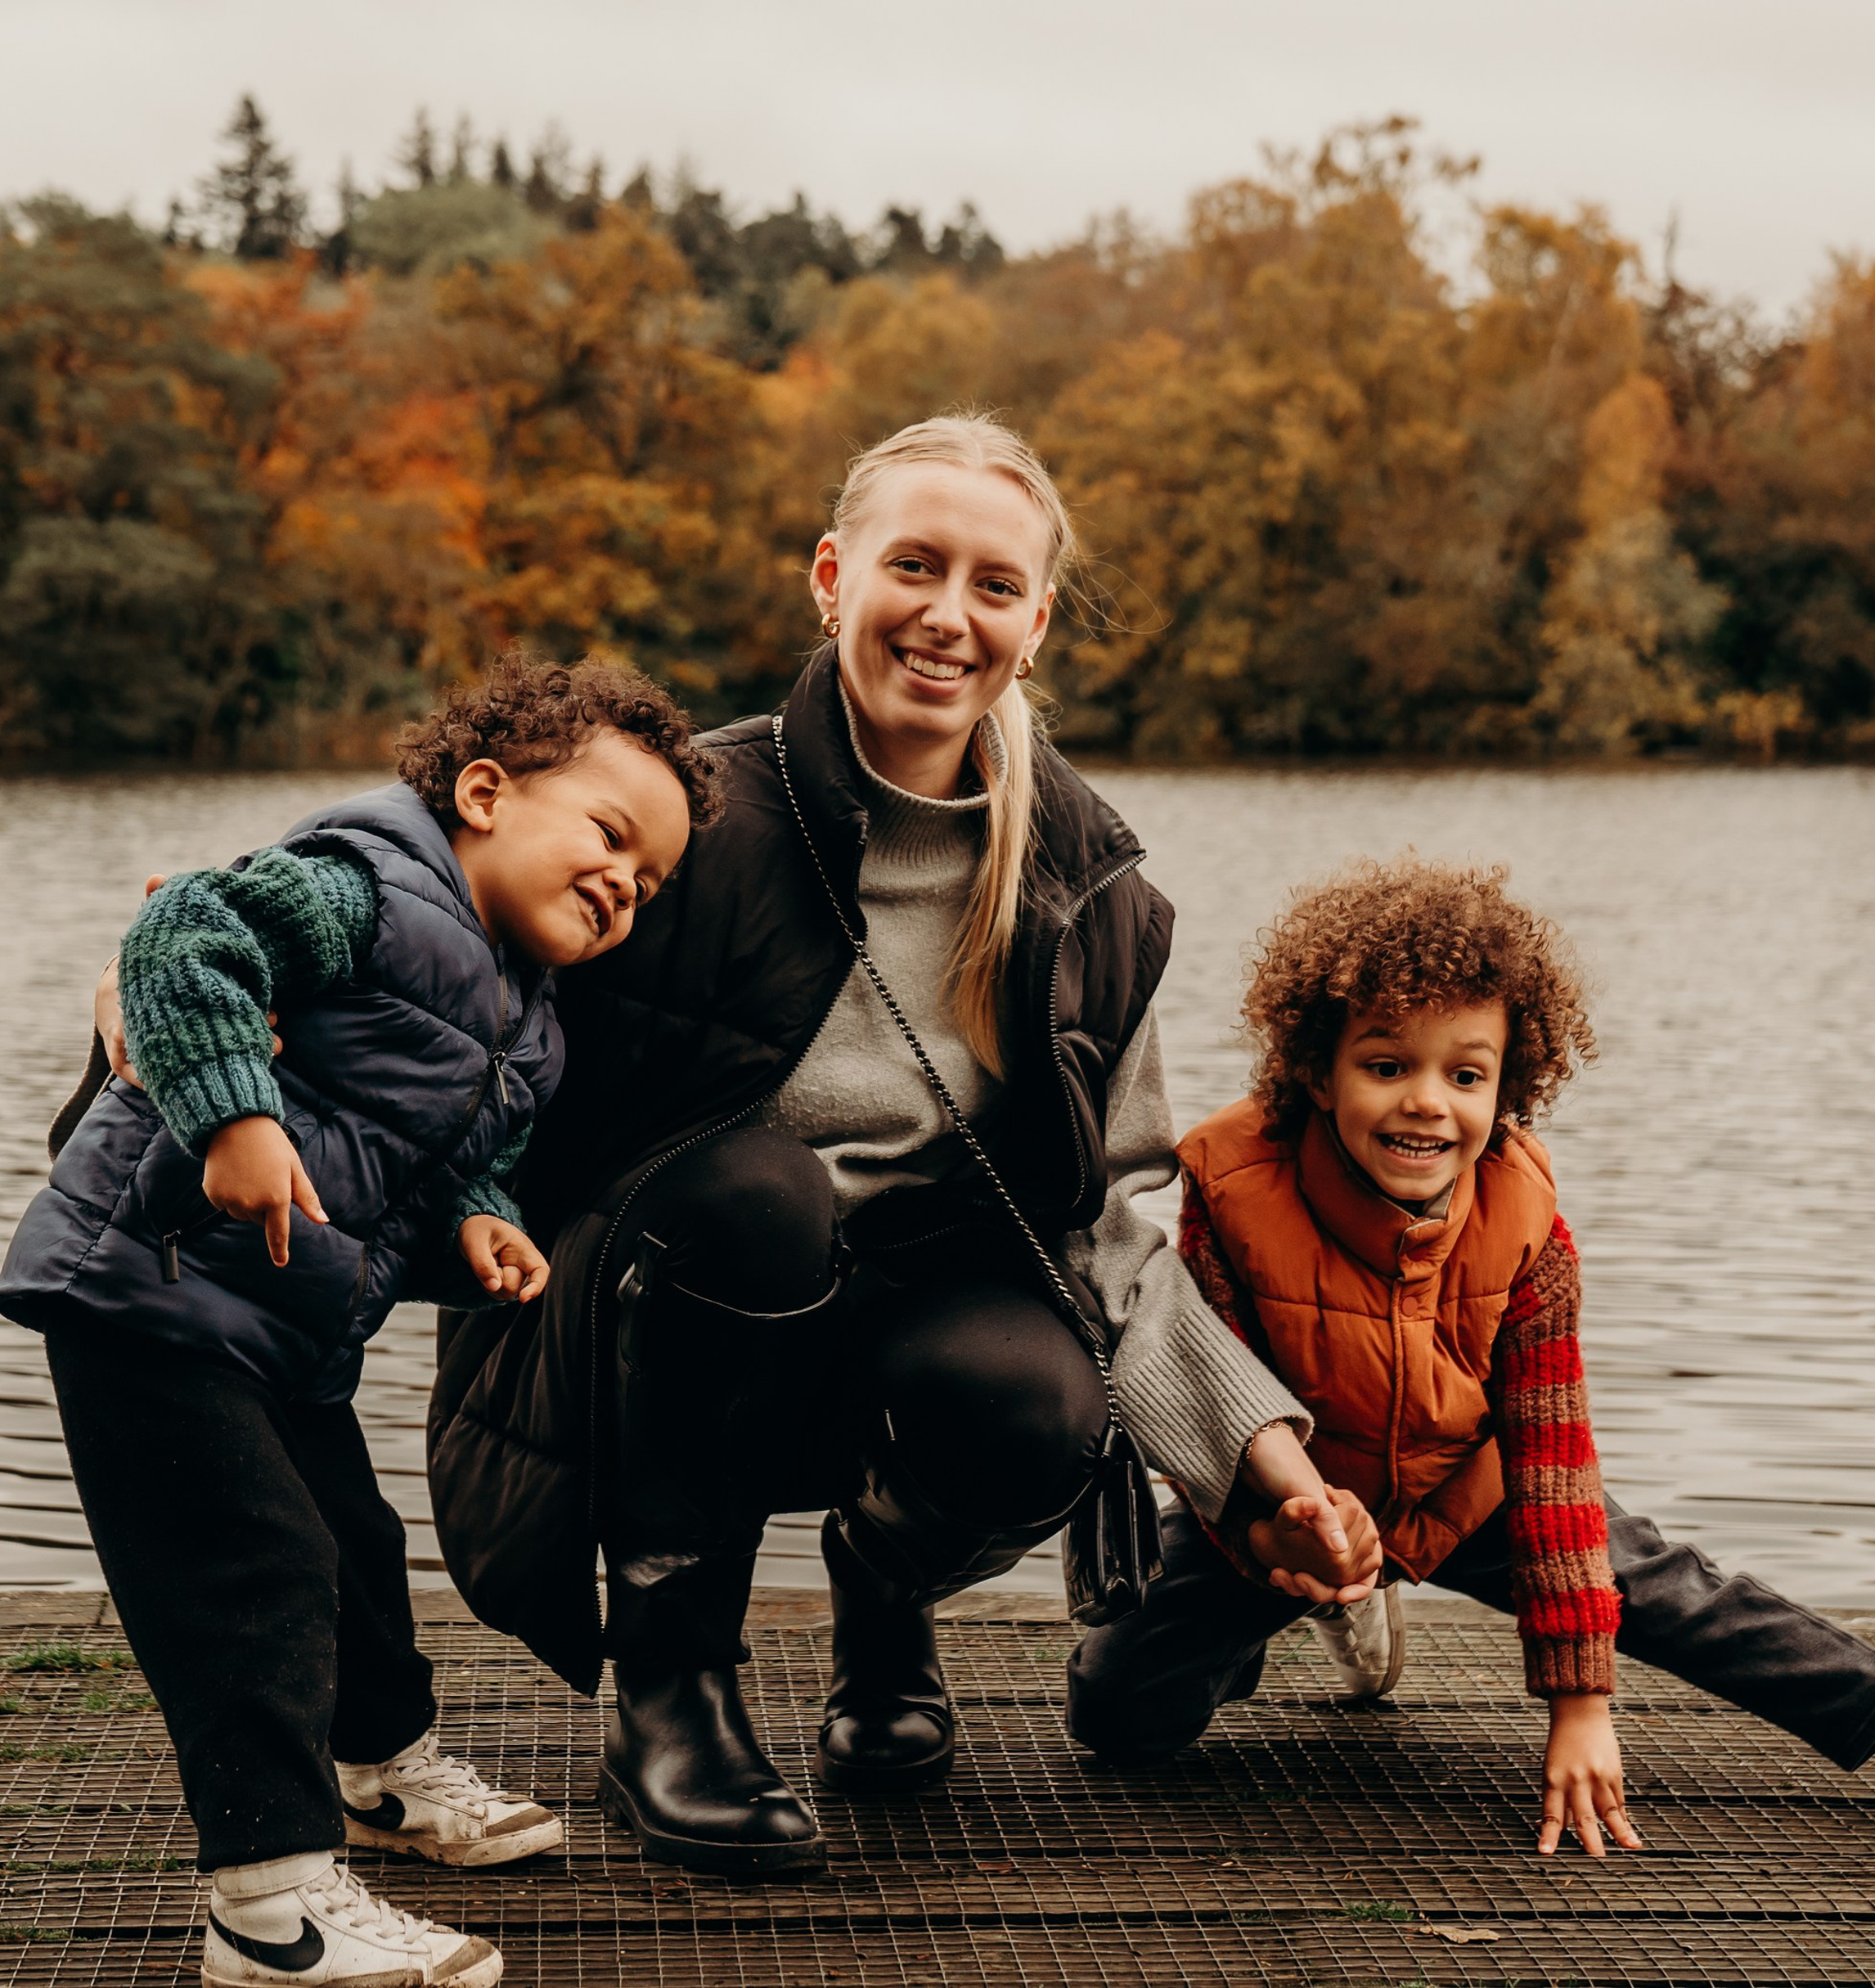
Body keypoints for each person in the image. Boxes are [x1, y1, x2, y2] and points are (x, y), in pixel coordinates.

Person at [423, 413, 1380, 1880]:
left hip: (888, 1335)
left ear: (1035, 619)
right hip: (647, 1329)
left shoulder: (1090, 892)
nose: (949, 616)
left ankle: (887, 1586)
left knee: (1031, 1395)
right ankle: (673, 1686)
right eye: (913, 567)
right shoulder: (688, 812)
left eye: (995, 585)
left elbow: (1122, 1222)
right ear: (831, 578)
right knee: (758, 1190)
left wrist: (1266, 1461)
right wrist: (192, 961)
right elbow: (422, 902)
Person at [0, 656, 718, 1988]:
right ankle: (271, 1915)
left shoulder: (529, 1021)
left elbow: (430, 1158)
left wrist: (475, 1224)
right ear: (485, 793)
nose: (626, 883)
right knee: (253, 1576)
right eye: (611, 837)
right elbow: (184, 935)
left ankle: (379, 1770)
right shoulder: (368, 886)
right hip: (147, 1288)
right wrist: (237, 1115)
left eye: (651, 882)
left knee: (353, 1551)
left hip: (280, 1330)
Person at [1065, 855, 1875, 1855]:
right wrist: (1267, 1539)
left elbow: (1556, 1462)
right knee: (1114, 1713)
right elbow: (1199, 1398)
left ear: (1508, 1084)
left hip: (1475, 1487)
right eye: (1386, 1064)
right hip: (1298, 1497)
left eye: (1465, 1074)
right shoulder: (1231, 1193)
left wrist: (1580, 1705)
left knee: (1674, 1590)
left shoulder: (1526, 1219)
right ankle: (1309, 1613)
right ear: (1318, 1069)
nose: (1426, 1103)